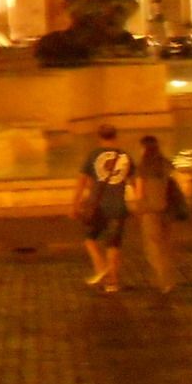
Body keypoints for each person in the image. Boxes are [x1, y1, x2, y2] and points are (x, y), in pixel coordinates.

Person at [76, 125, 135, 291]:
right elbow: (134, 182)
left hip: (98, 206)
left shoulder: (94, 156)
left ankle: (101, 269)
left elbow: (81, 181)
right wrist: (140, 203)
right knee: (113, 244)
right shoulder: (125, 156)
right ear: (116, 136)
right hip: (118, 206)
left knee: (90, 239)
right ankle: (113, 283)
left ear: (99, 137)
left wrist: (75, 204)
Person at [130, 135, 181, 294]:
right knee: (165, 244)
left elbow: (139, 194)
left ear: (144, 149)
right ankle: (170, 278)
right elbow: (174, 185)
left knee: (153, 247)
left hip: (150, 211)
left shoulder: (142, 168)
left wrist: (136, 210)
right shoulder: (166, 164)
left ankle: (162, 280)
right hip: (166, 209)